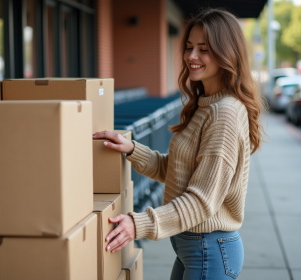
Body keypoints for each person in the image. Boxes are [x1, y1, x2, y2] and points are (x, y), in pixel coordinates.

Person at [93, 8, 266, 280]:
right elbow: (179, 172)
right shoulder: (206, 104)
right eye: (188, 47)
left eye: (203, 49)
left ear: (226, 53)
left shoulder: (225, 113)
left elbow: (201, 201)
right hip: (195, 248)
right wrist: (132, 149)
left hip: (209, 250)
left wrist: (139, 225)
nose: (191, 56)